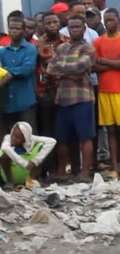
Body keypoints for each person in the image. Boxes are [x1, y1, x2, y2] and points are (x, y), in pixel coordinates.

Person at [47, 15, 97, 180]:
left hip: (82, 98)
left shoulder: (88, 48)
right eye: (71, 27)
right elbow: (50, 69)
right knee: (62, 138)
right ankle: (62, 172)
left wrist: (63, 71)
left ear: (83, 28)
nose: (74, 29)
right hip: (62, 99)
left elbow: (80, 66)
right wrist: (71, 74)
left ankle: (84, 172)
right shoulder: (61, 48)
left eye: (77, 26)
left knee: (85, 137)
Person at [94, 9, 120, 180]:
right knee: (110, 131)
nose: (108, 23)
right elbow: (94, 66)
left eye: (111, 19)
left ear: (118, 20)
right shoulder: (98, 41)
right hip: (104, 91)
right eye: (106, 20)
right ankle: (113, 167)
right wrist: (114, 63)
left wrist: (104, 61)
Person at [35, 12, 68, 173]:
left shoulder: (66, 42)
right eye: (49, 23)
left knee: (63, 131)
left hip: (63, 91)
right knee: (47, 132)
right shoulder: (38, 44)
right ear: (43, 25)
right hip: (45, 92)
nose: (52, 25)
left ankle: (64, 168)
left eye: (55, 22)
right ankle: (49, 169)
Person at [0, 19, 38, 134]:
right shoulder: (3, 51)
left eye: (17, 28)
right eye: (11, 28)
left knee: (29, 136)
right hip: (7, 103)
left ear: (23, 30)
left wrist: (8, 72)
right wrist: (8, 72)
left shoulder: (30, 48)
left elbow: (27, 69)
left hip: (25, 101)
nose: (13, 31)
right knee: (10, 138)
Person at [0, 122, 55, 188]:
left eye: (17, 137)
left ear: (25, 138)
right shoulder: (7, 138)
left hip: (29, 173)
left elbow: (52, 141)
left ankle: (31, 181)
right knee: (5, 156)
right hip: (12, 174)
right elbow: (5, 148)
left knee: (39, 158)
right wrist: (25, 164)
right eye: (13, 135)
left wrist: (35, 161)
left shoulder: (31, 139)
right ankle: (9, 182)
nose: (13, 139)